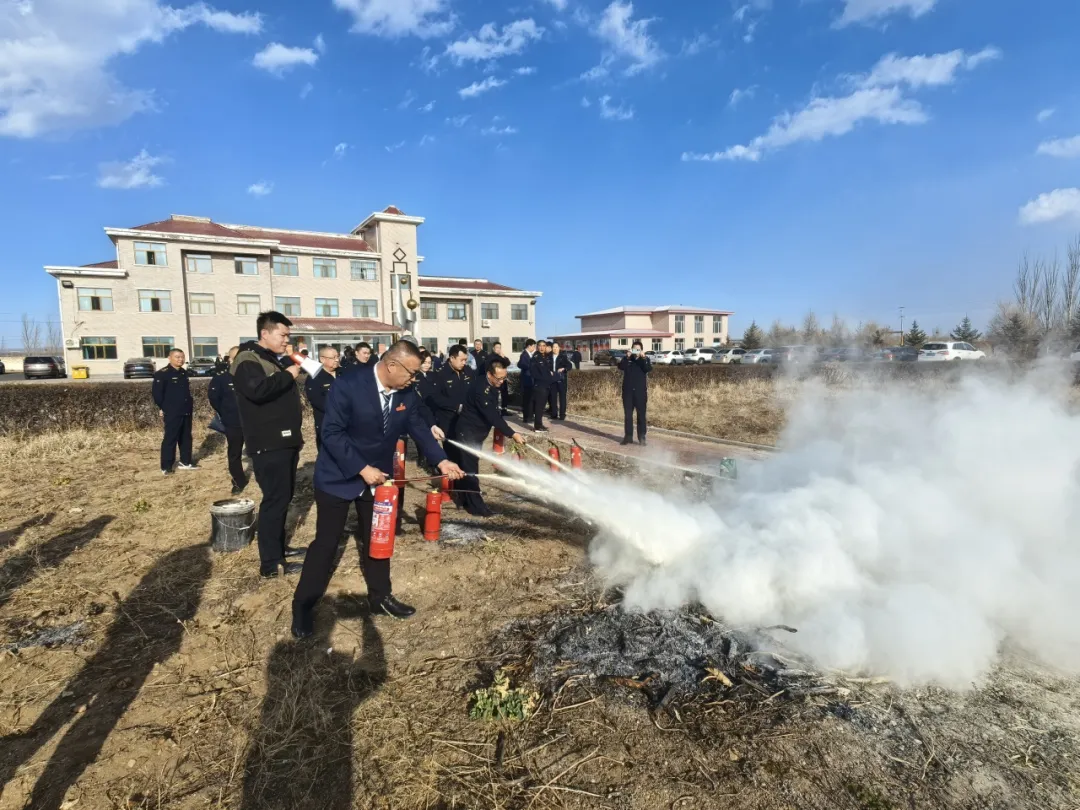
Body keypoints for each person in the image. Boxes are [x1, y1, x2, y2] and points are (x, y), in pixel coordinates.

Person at [291, 341, 465, 635]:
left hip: (379, 479)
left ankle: (380, 597)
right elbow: (332, 433)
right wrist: (361, 468)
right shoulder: (348, 385)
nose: (415, 379)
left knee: (378, 537)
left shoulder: (406, 392)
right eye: (411, 373)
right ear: (392, 365)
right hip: (339, 476)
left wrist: (442, 461)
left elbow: (418, 429)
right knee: (326, 543)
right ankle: (304, 606)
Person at [232, 311, 307, 579]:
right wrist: (287, 374)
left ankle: (280, 550)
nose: (286, 340)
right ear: (265, 333)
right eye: (283, 335)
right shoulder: (247, 360)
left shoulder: (270, 359)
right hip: (268, 443)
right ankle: (271, 564)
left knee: (282, 499)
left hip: (284, 441)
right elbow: (258, 391)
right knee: (274, 501)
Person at [453, 356, 527, 517]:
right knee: (471, 470)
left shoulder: (490, 384)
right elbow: (493, 416)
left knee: (466, 467)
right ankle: (476, 507)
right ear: (490, 374)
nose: (502, 381)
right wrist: (512, 433)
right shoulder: (481, 389)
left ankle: (462, 498)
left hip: (476, 433)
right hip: (468, 433)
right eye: (499, 378)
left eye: (504, 377)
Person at [153, 348, 198, 475]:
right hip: (172, 411)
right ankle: (166, 466)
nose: (180, 359)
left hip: (185, 410)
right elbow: (157, 394)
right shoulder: (162, 374)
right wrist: (163, 408)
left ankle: (186, 461)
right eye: (177, 357)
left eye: (182, 357)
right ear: (170, 358)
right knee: (170, 438)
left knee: (186, 437)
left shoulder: (183, 372)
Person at [209, 346, 246, 493]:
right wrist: (226, 413)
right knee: (234, 453)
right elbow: (214, 399)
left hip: (253, 422)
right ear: (230, 359)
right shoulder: (221, 378)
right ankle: (238, 481)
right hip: (233, 422)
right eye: (236, 357)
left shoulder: (253, 376)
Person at [429, 345, 473, 459]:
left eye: (465, 360)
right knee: (452, 452)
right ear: (452, 358)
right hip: (448, 419)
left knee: (465, 452)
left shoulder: (467, 371)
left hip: (466, 419)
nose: (464, 363)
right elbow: (436, 398)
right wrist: (457, 407)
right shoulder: (440, 374)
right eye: (461, 360)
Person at [304, 346, 340, 451]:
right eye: (333, 357)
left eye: (338, 356)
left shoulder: (344, 373)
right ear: (322, 359)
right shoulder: (315, 378)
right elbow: (318, 401)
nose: (337, 359)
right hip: (327, 423)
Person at [618, 340, 652, 446]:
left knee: (641, 415)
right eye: (634, 349)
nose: (636, 351)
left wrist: (644, 358)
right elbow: (620, 366)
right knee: (628, 415)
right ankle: (628, 436)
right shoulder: (628, 359)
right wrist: (627, 357)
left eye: (638, 349)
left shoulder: (644, 360)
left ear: (641, 350)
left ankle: (642, 437)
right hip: (628, 392)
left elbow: (648, 369)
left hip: (640, 392)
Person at [529, 340, 554, 433]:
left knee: (541, 407)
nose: (542, 347)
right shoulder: (535, 358)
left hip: (545, 385)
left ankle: (539, 424)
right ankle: (538, 427)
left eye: (544, 346)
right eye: (540, 346)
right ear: (537, 347)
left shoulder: (545, 357)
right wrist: (545, 378)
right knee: (539, 407)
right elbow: (533, 373)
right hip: (540, 386)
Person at [549, 341, 572, 421]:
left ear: (559, 348)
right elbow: (545, 366)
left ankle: (562, 415)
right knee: (553, 397)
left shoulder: (563, 356)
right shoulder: (549, 357)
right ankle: (554, 414)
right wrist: (549, 371)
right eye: (553, 347)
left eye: (556, 347)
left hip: (561, 379)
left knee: (562, 398)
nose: (555, 349)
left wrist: (564, 369)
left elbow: (569, 365)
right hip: (552, 380)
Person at [518, 338, 537, 423]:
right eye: (533, 346)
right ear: (529, 346)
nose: (534, 348)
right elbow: (524, 365)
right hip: (527, 381)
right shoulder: (524, 355)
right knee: (527, 400)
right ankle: (527, 418)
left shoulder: (529, 355)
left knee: (530, 399)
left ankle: (529, 416)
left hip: (530, 380)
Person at [490, 341, 510, 415]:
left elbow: (508, 363)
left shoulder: (501, 356)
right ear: (493, 348)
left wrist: (503, 356)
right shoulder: (491, 356)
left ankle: (504, 409)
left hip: (503, 379)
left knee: (504, 394)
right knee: (494, 394)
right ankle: (494, 410)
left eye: (499, 348)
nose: (498, 349)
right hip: (495, 379)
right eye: (497, 347)